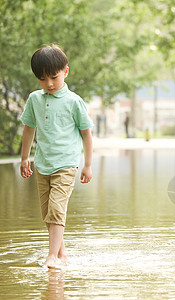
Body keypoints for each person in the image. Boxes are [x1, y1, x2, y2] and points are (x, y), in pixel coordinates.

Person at [20, 44, 94, 268]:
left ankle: (51, 256)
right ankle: (62, 254)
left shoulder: (74, 101)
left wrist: (88, 165)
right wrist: (25, 158)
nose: (49, 84)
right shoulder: (35, 99)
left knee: (56, 210)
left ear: (65, 72)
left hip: (66, 165)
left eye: (54, 77)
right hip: (42, 164)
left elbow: (87, 135)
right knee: (47, 213)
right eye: (43, 79)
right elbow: (28, 129)